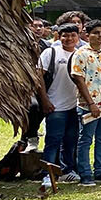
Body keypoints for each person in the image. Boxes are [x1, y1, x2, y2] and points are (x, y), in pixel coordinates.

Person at [71, 20, 101, 187]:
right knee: (85, 139)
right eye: (96, 32)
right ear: (87, 34)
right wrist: (90, 103)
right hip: (88, 105)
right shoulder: (80, 54)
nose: (100, 36)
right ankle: (85, 173)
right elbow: (78, 79)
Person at [36, 23, 82, 185]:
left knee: (71, 141)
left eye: (72, 35)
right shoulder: (51, 53)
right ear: (58, 36)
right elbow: (38, 77)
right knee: (53, 140)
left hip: (75, 106)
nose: (69, 39)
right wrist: (45, 100)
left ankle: (67, 170)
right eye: (65, 35)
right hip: (55, 105)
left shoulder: (80, 54)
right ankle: (47, 173)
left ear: (78, 37)